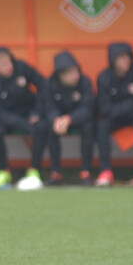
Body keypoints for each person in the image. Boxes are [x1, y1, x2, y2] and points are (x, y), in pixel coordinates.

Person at [0, 47, 48, 188]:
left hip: (27, 111)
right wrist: (22, 123)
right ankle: (3, 170)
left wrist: (36, 111)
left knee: (41, 127)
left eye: (9, 62)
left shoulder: (22, 68)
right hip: (5, 117)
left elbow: (43, 86)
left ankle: (34, 168)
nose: (9, 67)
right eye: (3, 65)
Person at [95, 41, 133, 186]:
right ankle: (105, 171)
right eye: (121, 57)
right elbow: (105, 108)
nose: (126, 60)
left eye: (128, 56)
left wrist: (124, 106)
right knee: (102, 125)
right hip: (115, 117)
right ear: (112, 60)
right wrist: (129, 103)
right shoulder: (104, 77)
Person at [41, 51, 96, 185]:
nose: (75, 76)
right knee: (48, 128)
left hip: (78, 119)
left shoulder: (85, 82)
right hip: (59, 121)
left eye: (76, 71)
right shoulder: (50, 84)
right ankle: (56, 173)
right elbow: (48, 107)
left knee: (89, 127)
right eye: (70, 73)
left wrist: (69, 119)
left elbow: (88, 108)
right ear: (61, 75)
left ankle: (86, 172)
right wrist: (56, 120)